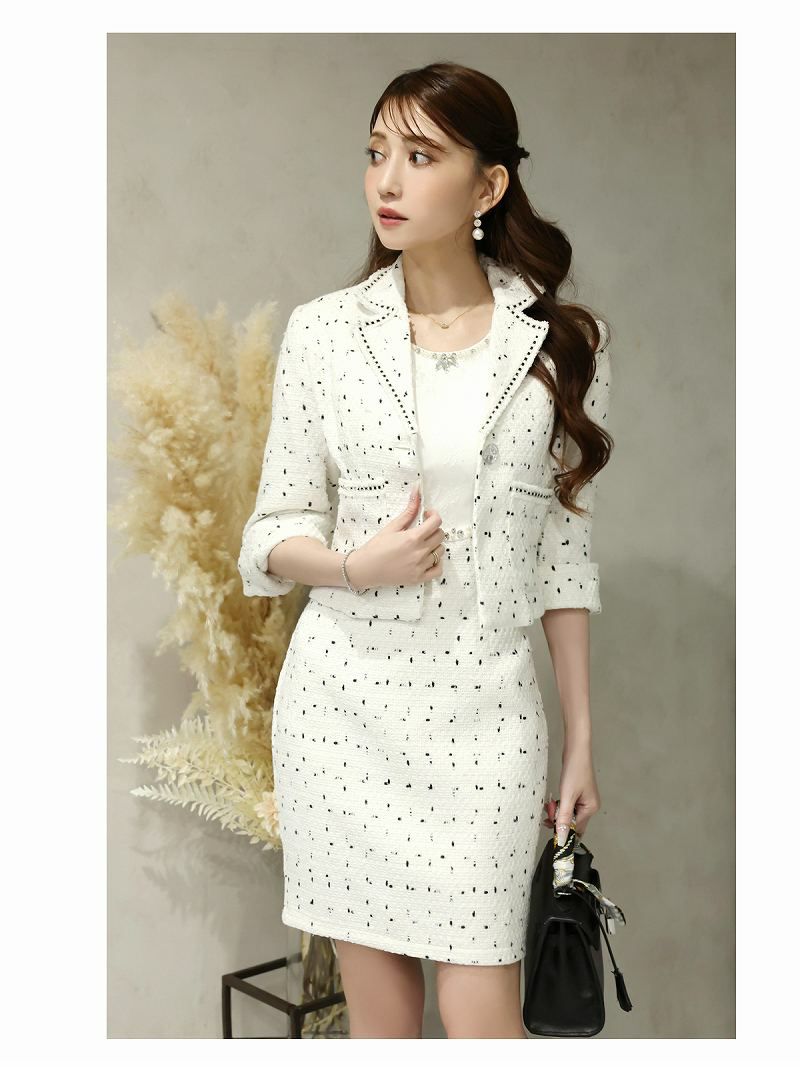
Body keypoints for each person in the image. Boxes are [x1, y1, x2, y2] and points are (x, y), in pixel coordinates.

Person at [238, 61, 614, 1039]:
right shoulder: (324, 334)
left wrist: (579, 735)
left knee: (484, 1017)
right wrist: (352, 566)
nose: (386, 181)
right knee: (383, 1027)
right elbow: (270, 531)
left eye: (419, 156)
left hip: (487, 718)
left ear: (487, 185)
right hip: (343, 713)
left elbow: (563, 560)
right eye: (375, 154)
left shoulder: (561, 344)